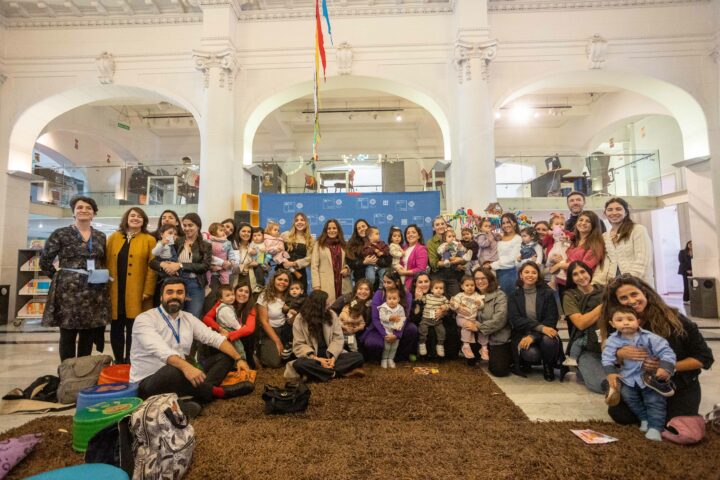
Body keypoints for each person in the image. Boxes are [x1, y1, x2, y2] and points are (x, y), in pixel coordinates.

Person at [601, 274, 714, 423]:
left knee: (672, 423)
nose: (631, 301)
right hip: (639, 382)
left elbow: (704, 358)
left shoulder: (676, 320)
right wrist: (619, 354)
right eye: (624, 298)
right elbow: (608, 351)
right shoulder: (619, 322)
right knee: (620, 415)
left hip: (678, 382)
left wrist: (666, 366)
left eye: (634, 294)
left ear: (644, 293)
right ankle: (615, 386)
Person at [129, 278, 249, 415]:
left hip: (182, 374)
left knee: (226, 356)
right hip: (149, 383)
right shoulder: (144, 319)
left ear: (185, 297)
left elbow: (214, 338)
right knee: (173, 370)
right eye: (170, 292)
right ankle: (218, 392)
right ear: (161, 296)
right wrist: (187, 367)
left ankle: (195, 398)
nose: (174, 296)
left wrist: (239, 358)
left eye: (179, 292)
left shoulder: (188, 318)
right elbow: (161, 351)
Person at [40, 195, 111, 360]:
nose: (84, 210)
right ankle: (67, 371)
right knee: (67, 334)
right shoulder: (60, 234)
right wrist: (61, 278)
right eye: (80, 207)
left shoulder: (100, 236)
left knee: (88, 334)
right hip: (68, 293)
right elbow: (45, 261)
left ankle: (83, 371)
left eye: (88, 208)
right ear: (73, 212)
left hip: (93, 291)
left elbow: (102, 261)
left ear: (94, 213)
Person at [602, 305, 677, 441]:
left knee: (655, 401)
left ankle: (655, 428)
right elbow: (607, 357)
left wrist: (664, 368)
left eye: (630, 319)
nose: (625, 322)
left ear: (638, 321)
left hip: (650, 378)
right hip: (628, 378)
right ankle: (644, 418)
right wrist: (610, 373)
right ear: (612, 324)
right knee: (629, 398)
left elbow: (667, 352)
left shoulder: (650, 338)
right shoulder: (612, 340)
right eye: (619, 320)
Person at [106, 207, 157, 364]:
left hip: (138, 292)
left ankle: (131, 360)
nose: (136, 218)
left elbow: (152, 267)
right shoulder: (114, 237)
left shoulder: (149, 240)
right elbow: (105, 261)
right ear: (126, 219)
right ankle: (118, 360)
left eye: (139, 216)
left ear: (144, 220)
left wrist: (148, 290)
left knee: (134, 328)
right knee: (116, 327)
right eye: (132, 215)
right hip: (116, 290)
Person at [284, 290, 365, 382]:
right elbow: (299, 344)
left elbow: (338, 339)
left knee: (358, 357)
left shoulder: (332, 315)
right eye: (327, 304)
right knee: (299, 364)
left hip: (330, 353)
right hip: (312, 357)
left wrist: (333, 358)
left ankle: (315, 374)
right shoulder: (300, 319)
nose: (330, 305)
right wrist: (318, 359)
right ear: (318, 306)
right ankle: (335, 373)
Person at [507, 262, 566, 381]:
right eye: (527, 272)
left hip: (545, 333)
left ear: (538, 275)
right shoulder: (513, 296)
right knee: (531, 354)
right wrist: (540, 328)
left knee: (549, 341)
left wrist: (534, 336)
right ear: (521, 275)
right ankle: (527, 361)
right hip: (524, 333)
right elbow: (516, 320)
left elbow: (551, 320)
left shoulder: (548, 293)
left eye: (534, 272)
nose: (530, 275)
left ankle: (548, 366)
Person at [149, 213, 211, 319]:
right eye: (184, 225)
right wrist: (164, 265)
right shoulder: (176, 240)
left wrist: (180, 265)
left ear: (198, 226)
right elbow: (153, 262)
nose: (187, 228)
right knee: (171, 317)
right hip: (174, 282)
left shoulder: (206, 245)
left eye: (190, 225)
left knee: (193, 318)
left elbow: (205, 266)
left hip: (195, 284)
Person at [562, 261, 605, 394]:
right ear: (571, 278)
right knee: (597, 384)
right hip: (587, 347)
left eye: (583, 272)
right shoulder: (569, 296)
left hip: (610, 342)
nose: (580, 277)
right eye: (575, 274)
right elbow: (581, 323)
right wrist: (603, 306)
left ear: (589, 272)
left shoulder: (603, 290)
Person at [593, 197, 654, 286]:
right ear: (605, 213)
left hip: (638, 283)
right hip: (614, 285)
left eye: (618, 209)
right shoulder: (605, 236)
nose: (614, 213)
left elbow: (643, 261)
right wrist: (595, 282)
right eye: (610, 210)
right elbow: (605, 264)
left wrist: (627, 281)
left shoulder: (638, 230)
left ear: (626, 213)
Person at [361, 271, 419, 361]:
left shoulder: (407, 295)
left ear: (397, 282)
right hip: (381, 326)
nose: (386, 285)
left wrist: (396, 334)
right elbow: (375, 318)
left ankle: (399, 356)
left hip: (398, 326)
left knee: (412, 329)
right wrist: (385, 334)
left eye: (389, 282)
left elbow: (404, 318)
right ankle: (381, 358)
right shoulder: (379, 294)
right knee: (372, 343)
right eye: (384, 282)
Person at [203, 282, 258, 369]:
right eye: (240, 290)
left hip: (238, 336)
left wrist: (229, 335)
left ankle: (248, 361)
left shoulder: (251, 308)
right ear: (235, 292)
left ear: (249, 295)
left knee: (249, 336)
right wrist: (220, 328)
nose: (243, 293)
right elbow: (207, 318)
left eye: (246, 292)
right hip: (223, 334)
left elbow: (249, 329)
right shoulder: (223, 303)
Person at [550, 211, 605, 293]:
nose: (583, 223)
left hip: (580, 285)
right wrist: (560, 259)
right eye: (581, 220)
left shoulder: (596, 244)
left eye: (588, 221)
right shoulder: (574, 240)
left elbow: (584, 267)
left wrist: (559, 265)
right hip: (562, 281)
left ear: (594, 225)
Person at [470, 268, 512, 376]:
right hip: (477, 336)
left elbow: (500, 319)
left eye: (483, 278)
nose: (479, 281)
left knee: (499, 371)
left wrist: (480, 327)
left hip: (497, 337)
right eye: (476, 279)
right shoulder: (471, 295)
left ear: (490, 279)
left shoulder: (500, 295)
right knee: (470, 362)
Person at [255, 269, 292, 368]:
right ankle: (260, 351)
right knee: (274, 362)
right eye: (280, 279)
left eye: (286, 280)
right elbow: (264, 321)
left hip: (286, 331)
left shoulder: (291, 296)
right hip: (270, 331)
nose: (282, 282)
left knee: (291, 357)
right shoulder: (264, 296)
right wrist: (277, 341)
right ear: (274, 280)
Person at [310, 219, 352, 303]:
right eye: (329, 228)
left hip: (343, 284)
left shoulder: (345, 244)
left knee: (343, 307)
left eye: (334, 228)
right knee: (327, 307)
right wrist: (316, 286)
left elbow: (350, 263)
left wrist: (347, 269)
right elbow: (314, 266)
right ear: (326, 231)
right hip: (325, 284)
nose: (331, 230)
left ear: (338, 230)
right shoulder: (319, 244)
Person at [451, 275, 486, 360]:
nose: (470, 287)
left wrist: (479, 303)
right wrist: (455, 305)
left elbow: (482, 305)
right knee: (467, 326)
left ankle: (484, 347)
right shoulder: (460, 295)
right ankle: (466, 345)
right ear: (462, 287)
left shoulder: (477, 295)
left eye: (472, 285)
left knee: (481, 327)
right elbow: (453, 305)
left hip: (473, 319)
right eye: (467, 285)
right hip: (462, 318)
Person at [209, 284, 247, 358]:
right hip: (229, 332)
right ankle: (240, 362)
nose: (231, 297)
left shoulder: (225, 307)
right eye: (227, 295)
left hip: (228, 332)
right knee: (239, 350)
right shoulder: (225, 309)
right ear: (221, 299)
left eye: (232, 294)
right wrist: (240, 328)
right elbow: (232, 322)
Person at [281, 212, 314, 291]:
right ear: (294, 223)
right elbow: (276, 249)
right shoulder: (285, 235)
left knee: (300, 297)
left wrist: (293, 263)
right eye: (297, 220)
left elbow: (310, 258)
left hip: (299, 274)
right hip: (282, 273)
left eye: (302, 220)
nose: (299, 222)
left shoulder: (310, 239)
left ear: (306, 222)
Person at [492, 213, 522, 296]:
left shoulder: (518, 239)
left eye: (508, 222)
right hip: (496, 271)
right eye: (503, 223)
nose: (505, 225)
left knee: (507, 298)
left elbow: (513, 259)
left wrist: (492, 265)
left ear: (514, 223)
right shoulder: (500, 238)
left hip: (508, 273)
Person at [418, 279, 450, 357]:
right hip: (426, 319)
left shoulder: (443, 298)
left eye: (441, 288)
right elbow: (421, 300)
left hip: (437, 320)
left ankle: (440, 345)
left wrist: (445, 306)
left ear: (443, 290)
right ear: (432, 290)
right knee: (423, 330)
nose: (439, 290)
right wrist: (420, 295)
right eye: (436, 288)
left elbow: (448, 305)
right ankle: (422, 343)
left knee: (442, 331)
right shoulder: (428, 296)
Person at [378, 288, 407, 368]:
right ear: (386, 299)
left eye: (394, 298)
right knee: (387, 347)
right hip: (386, 330)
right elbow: (381, 317)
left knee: (394, 346)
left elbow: (402, 318)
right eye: (389, 298)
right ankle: (384, 359)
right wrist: (390, 318)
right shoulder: (383, 307)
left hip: (395, 330)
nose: (392, 301)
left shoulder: (400, 308)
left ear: (398, 299)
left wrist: (397, 330)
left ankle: (391, 359)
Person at [394, 224, 428, 292]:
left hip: (412, 283)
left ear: (419, 236)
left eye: (413, 232)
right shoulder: (404, 248)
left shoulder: (421, 249)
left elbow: (421, 269)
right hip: (400, 281)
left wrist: (404, 273)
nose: (410, 234)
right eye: (408, 233)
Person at [345, 219, 375, 283]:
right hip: (359, 280)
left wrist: (378, 260)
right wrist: (363, 262)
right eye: (359, 228)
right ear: (356, 231)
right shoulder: (352, 244)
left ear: (368, 227)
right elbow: (350, 263)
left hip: (377, 281)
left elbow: (386, 259)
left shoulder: (375, 240)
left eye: (363, 226)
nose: (361, 229)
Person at [230, 222, 253, 287]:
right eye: (243, 231)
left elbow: (260, 261)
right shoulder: (233, 246)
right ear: (238, 232)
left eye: (249, 232)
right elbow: (230, 263)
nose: (246, 233)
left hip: (252, 279)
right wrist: (242, 267)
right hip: (235, 278)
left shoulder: (254, 246)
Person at [247, 227, 268, 291]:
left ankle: (261, 285)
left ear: (263, 236)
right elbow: (249, 251)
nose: (257, 237)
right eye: (254, 235)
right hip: (253, 262)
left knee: (261, 272)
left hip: (262, 262)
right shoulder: (252, 243)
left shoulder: (264, 243)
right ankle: (259, 285)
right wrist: (252, 251)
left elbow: (268, 252)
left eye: (259, 235)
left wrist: (265, 250)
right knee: (256, 273)